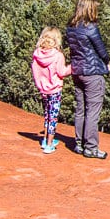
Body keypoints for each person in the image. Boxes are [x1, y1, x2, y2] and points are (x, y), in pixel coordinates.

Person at [66, 0, 110, 159]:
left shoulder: (71, 27)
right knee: (93, 111)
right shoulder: (91, 27)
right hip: (92, 73)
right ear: (91, 8)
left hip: (77, 72)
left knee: (80, 109)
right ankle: (91, 147)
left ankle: (79, 144)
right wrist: (107, 62)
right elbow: (101, 50)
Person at [31, 26, 72, 154]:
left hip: (43, 90)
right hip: (55, 90)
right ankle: (49, 145)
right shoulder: (58, 56)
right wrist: (73, 67)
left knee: (47, 115)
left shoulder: (37, 54)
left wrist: (40, 86)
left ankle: (45, 140)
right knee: (53, 117)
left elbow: (35, 73)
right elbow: (62, 72)